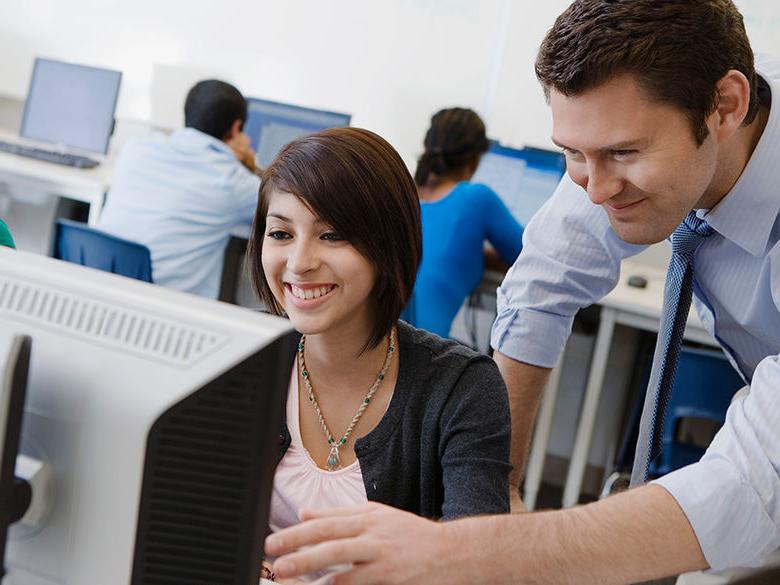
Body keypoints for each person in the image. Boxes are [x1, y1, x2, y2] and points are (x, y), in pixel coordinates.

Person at [263, 1, 780, 583]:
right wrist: (496, 491)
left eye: (622, 153)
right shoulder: (646, 117)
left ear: (726, 108)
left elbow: (755, 480)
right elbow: (543, 280)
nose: (595, 188)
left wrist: (477, 549)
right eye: (573, 155)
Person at [249, 127, 512, 582]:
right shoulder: (243, 361)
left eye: (331, 235)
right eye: (281, 233)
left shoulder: (462, 388)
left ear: (386, 244)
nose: (299, 261)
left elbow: (477, 564)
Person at [99, 79, 259, 299]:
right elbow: (281, 207)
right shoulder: (233, 182)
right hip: (167, 312)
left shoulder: (136, 149)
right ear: (236, 128)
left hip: (102, 291)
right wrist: (250, 166)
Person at [410, 107, 523, 338]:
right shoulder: (476, 198)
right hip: (421, 352)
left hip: (375, 345)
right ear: (475, 159)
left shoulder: (401, 192)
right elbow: (527, 255)